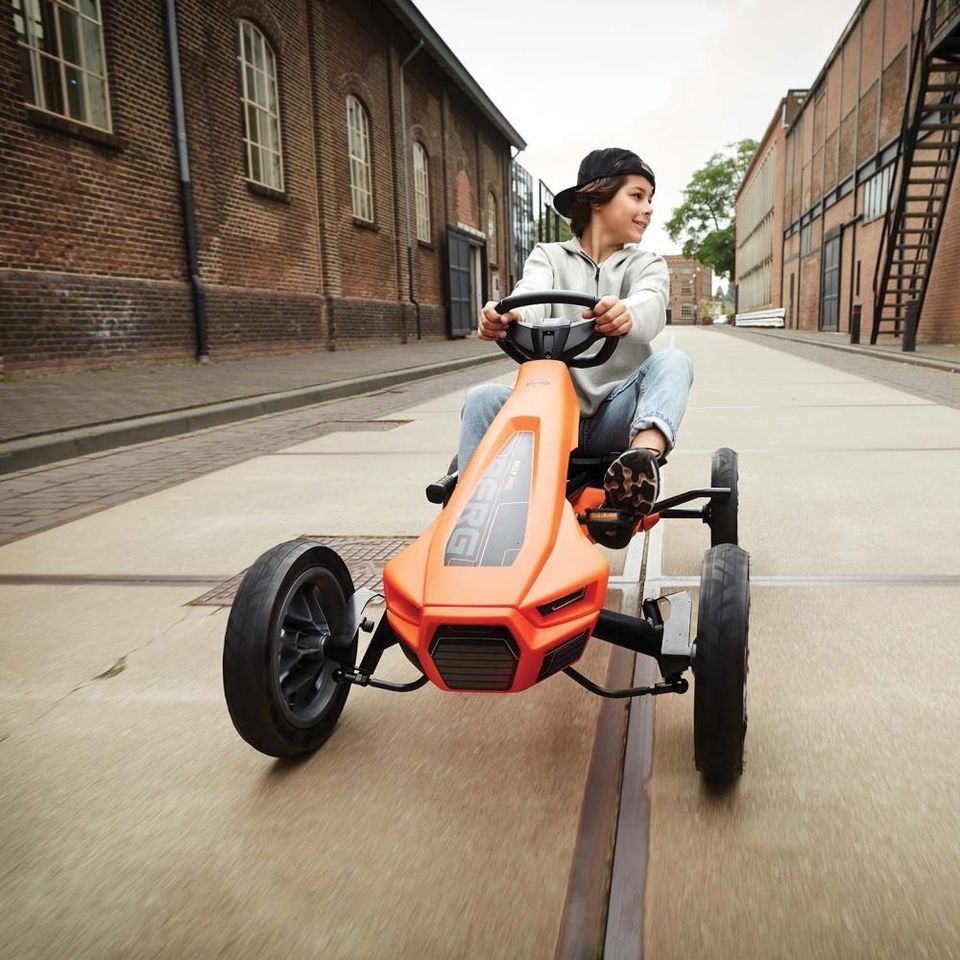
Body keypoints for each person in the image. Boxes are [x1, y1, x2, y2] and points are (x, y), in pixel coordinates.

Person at [458, 147, 694, 548]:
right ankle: (466, 517)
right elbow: (528, 297)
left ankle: (639, 466)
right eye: (637, 196)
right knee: (482, 398)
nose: (648, 208)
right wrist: (506, 317)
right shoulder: (548, 257)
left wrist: (627, 314)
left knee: (674, 361)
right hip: (551, 413)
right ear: (598, 198)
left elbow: (651, 303)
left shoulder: (646, 264)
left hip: (615, 417)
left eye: (650, 198)